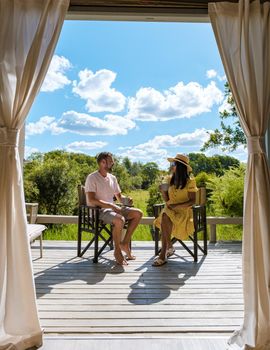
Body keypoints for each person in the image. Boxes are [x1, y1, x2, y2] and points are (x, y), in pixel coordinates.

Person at [85, 152, 143, 266]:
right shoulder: (92, 178)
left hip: (113, 210)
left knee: (138, 214)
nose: (113, 163)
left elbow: (120, 198)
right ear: (102, 162)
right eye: (111, 161)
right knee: (120, 220)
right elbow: (91, 200)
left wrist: (127, 200)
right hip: (98, 211)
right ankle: (117, 252)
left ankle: (124, 243)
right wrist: (111, 205)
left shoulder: (113, 178)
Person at [153, 154, 198, 267]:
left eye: (173, 164)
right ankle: (166, 250)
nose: (171, 166)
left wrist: (177, 206)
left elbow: (192, 201)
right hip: (169, 210)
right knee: (165, 215)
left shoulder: (190, 181)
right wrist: (163, 192)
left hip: (184, 213)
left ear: (180, 166)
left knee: (165, 217)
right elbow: (167, 200)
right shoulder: (169, 179)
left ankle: (166, 251)